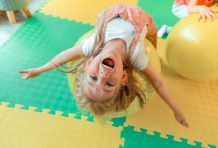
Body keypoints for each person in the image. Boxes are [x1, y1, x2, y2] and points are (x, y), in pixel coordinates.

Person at [19, 4, 189, 127]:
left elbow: (63, 57)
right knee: (153, 43)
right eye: (109, 84)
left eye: (93, 78)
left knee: (101, 20)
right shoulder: (137, 56)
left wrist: (39, 69)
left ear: (89, 62)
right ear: (123, 77)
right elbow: (158, 83)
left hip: (113, 12)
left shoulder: (92, 44)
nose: (103, 76)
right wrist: (175, 109)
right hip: (143, 19)